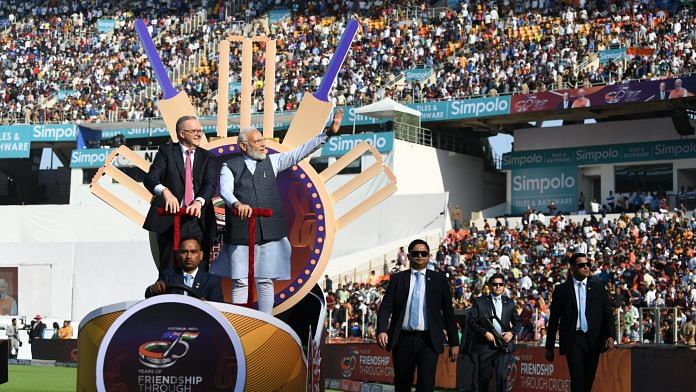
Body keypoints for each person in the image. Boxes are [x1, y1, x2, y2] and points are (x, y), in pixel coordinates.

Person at [212, 109, 343, 314]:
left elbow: (300, 152)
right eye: (257, 141)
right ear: (244, 146)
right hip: (240, 232)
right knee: (241, 280)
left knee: (265, 280)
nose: (263, 143)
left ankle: (266, 322)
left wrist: (328, 134)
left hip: (270, 232)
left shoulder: (273, 161)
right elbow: (226, 190)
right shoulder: (230, 166)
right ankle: (238, 321)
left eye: (263, 139)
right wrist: (236, 204)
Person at [376, 239, 459, 392]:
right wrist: (382, 330)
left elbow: (448, 312)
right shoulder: (397, 279)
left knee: (426, 384)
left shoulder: (439, 280)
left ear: (429, 256)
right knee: (402, 382)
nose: (419, 256)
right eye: (415, 253)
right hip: (402, 339)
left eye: (423, 253)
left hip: (429, 340)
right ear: (408, 256)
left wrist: (454, 343)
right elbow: (385, 307)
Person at [143, 115, 218, 272]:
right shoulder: (166, 152)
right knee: (169, 270)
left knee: (199, 272)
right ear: (182, 134)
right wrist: (165, 191)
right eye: (194, 131)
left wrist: (198, 201)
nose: (199, 134)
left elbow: (210, 185)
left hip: (198, 221)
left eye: (200, 131)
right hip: (170, 220)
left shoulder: (208, 157)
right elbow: (151, 178)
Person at [545, 253, 616, 392]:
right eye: (581, 265)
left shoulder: (598, 287)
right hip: (573, 340)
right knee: (577, 379)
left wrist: (611, 336)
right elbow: (554, 320)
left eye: (587, 264)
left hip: (594, 340)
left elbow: (608, 314)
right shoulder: (562, 290)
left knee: (589, 379)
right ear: (572, 268)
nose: (586, 267)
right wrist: (549, 346)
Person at [468, 273, 521, 392]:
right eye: (495, 284)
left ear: (504, 286)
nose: (498, 286)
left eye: (500, 284)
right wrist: (485, 333)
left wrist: (511, 333)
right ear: (490, 286)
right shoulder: (479, 301)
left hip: (502, 347)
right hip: (485, 347)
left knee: (502, 377)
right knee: (483, 378)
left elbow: (518, 323)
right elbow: (471, 321)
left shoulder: (510, 302)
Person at [146, 237, 223, 302]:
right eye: (184, 252)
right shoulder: (168, 276)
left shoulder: (211, 280)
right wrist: (153, 290)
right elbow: (149, 294)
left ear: (201, 255)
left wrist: (207, 304)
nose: (188, 256)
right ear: (177, 255)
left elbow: (218, 307)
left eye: (193, 252)